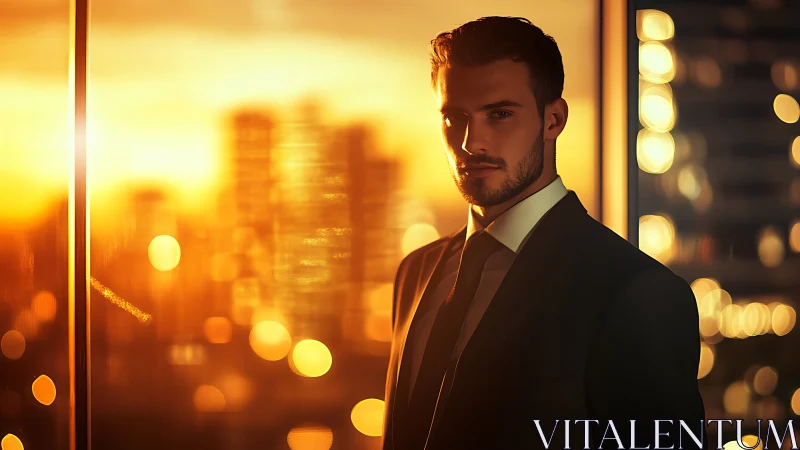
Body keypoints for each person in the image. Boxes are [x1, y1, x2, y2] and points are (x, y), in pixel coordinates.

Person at [381, 16, 707, 450]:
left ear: (553, 119)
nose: (471, 143)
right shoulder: (416, 272)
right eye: (454, 118)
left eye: (499, 114)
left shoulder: (636, 291)